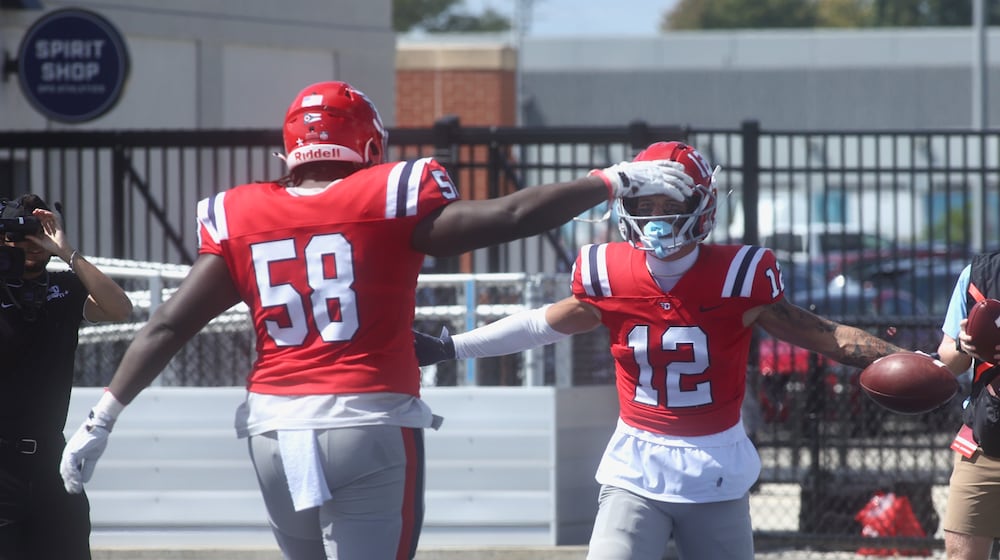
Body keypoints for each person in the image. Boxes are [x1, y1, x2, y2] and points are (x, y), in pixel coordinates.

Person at [58, 80, 692, 560]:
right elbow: (511, 216)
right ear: (367, 143)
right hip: (368, 419)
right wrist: (610, 180)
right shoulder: (391, 192)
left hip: (273, 429)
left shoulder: (240, 213)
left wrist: (100, 417)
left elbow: (168, 324)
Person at [413, 141, 909, 560]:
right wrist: (452, 346)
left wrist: (922, 363)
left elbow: (828, 335)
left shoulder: (739, 276)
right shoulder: (610, 272)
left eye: (668, 205)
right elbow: (542, 324)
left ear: (702, 204)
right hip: (636, 461)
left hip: (715, 464)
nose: (655, 219)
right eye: (645, 205)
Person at [0, 194, 133, 560]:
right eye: (18, 236)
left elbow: (120, 309)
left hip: (50, 460)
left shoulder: (65, 288)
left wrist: (66, 252)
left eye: (37, 234)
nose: (30, 245)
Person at [934, 252, 1000, 560]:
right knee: (961, 553)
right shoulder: (980, 273)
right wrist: (964, 343)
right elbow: (949, 357)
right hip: (986, 437)